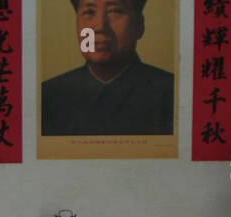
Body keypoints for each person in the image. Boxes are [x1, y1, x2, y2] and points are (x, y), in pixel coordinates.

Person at [41, 0, 174, 136]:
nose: (100, 26)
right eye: (89, 12)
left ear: (139, 25)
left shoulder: (171, 93)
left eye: (115, 11)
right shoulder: (47, 97)